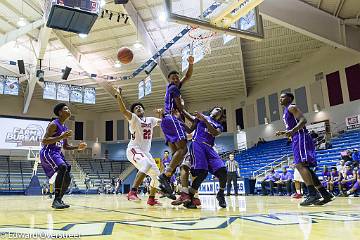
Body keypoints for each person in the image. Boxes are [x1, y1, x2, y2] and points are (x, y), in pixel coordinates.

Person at [98, 79, 163, 205]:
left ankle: (151, 199)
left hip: (145, 152)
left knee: (157, 176)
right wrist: (118, 96)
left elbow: (164, 122)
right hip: (134, 149)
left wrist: (162, 114)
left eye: (140, 107)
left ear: (143, 110)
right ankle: (132, 192)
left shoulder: (151, 120)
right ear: (134, 113)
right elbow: (123, 111)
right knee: (147, 165)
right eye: (135, 108)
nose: (138, 108)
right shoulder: (133, 119)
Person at [276, 92, 334, 206]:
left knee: (300, 165)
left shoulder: (292, 107)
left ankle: (312, 194)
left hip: (301, 136)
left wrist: (292, 131)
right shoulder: (286, 110)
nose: (280, 99)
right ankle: (325, 194)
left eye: (283, 97)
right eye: (280, 97)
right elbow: (293, 125)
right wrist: (286, 132)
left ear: (289, 98)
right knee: (306, 168)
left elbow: (303, 120)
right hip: (296, 137)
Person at [157, 56, 195, 197]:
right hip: (171, 119)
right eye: (172, 77)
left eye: (176, 78)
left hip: (168, 122)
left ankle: (165, 186)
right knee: (183, 149)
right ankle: (166, 176)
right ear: (169, 80)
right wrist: (193, 119)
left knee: (176, 154)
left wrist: (190, 64)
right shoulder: (173, 88)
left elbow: (187, 76)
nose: (175, 80)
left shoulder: (173, 86)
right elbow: (180, 107)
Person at [40, 103, 87, 209]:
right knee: (63, 167)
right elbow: (44, 141)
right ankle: (56, 200)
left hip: (57, 153)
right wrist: (61, 136)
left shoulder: (65, 128)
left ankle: (59, 199)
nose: (69, 110)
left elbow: (65, 146)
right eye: (66, 109)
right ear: (60, 112)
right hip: (48, 151)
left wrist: (77, 147)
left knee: (68, 177)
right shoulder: (53, 124)